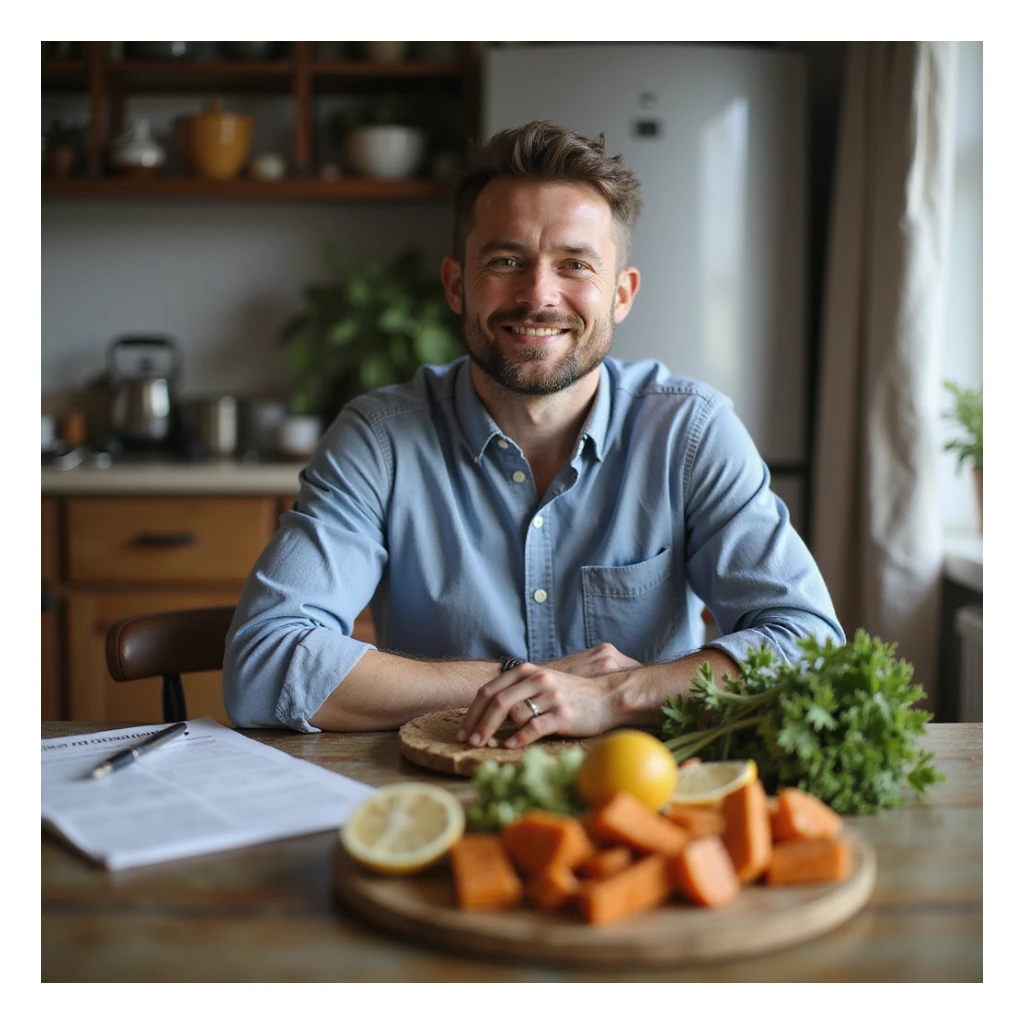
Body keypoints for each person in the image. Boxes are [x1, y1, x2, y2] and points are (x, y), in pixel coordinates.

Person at [223, 120, 843, 748]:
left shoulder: (691, 432)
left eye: (575, 264)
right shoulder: (377, 441)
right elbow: (263, 662)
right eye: (506, 261)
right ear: (456, 285)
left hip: (644, 789)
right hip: (439, 787)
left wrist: (611, 695)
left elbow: (808, 644)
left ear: (621, 294)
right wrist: (518, 683)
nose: (538, 295)